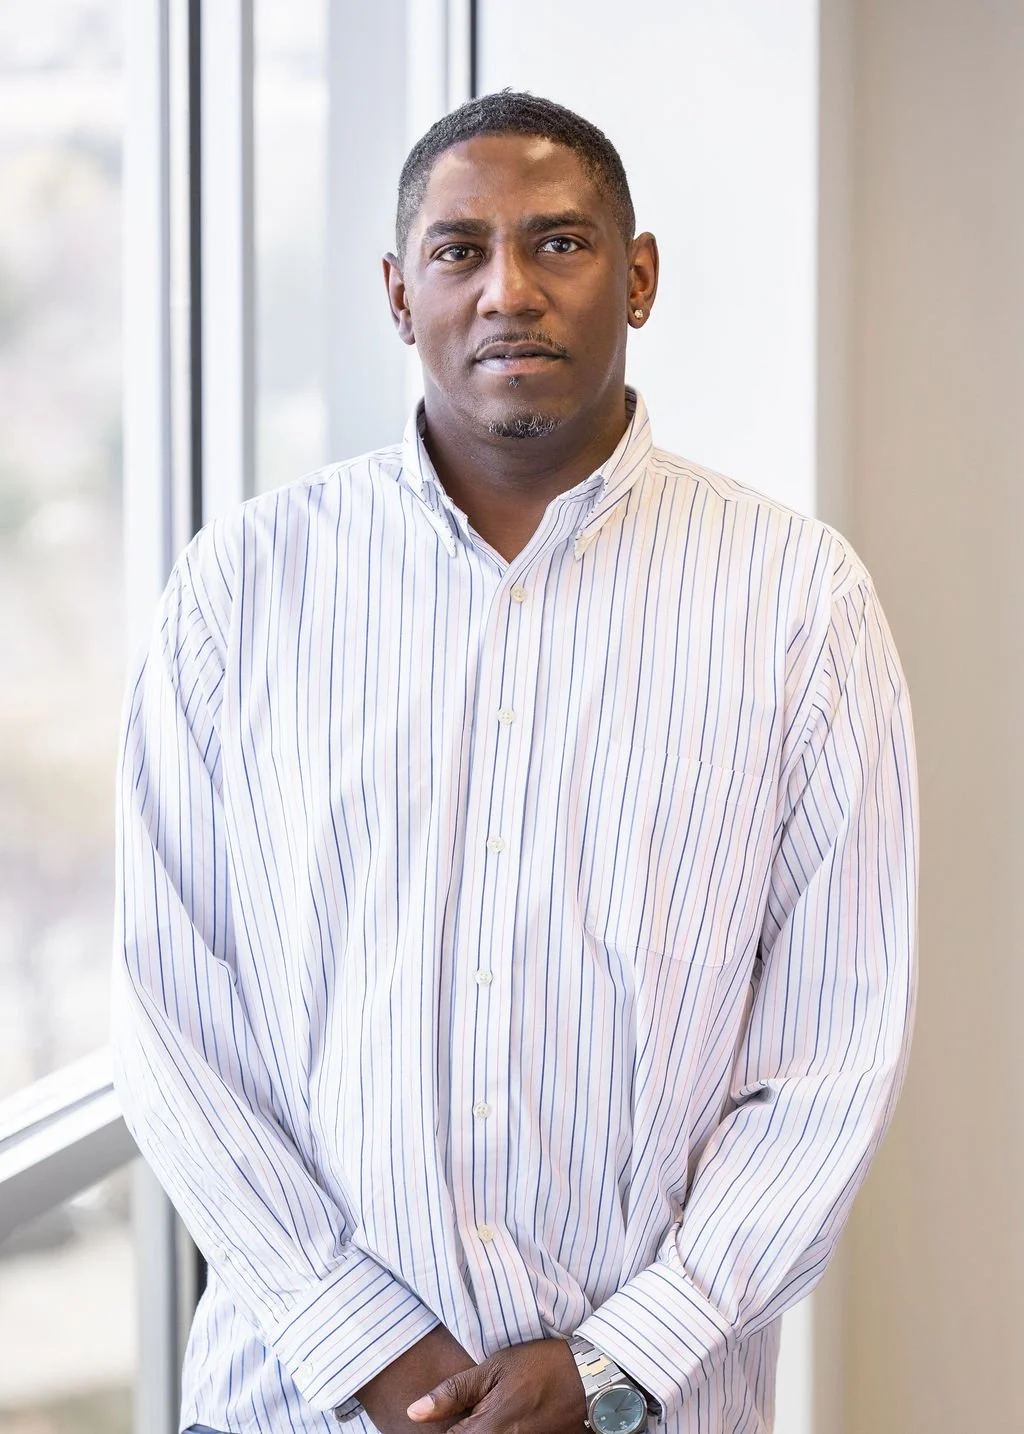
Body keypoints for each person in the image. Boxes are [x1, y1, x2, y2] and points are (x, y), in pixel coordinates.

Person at [113, 92, 918, 1434]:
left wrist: (616, 1364)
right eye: (457, 252)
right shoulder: (242, 591)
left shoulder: (797, 603)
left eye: (559, 244)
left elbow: (830, 1059)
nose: (508, 293)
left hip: (655, 1410)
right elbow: (174, 1013)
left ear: (639, 276)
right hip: (293, 1403)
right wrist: (367, 1342)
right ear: (395, 292)